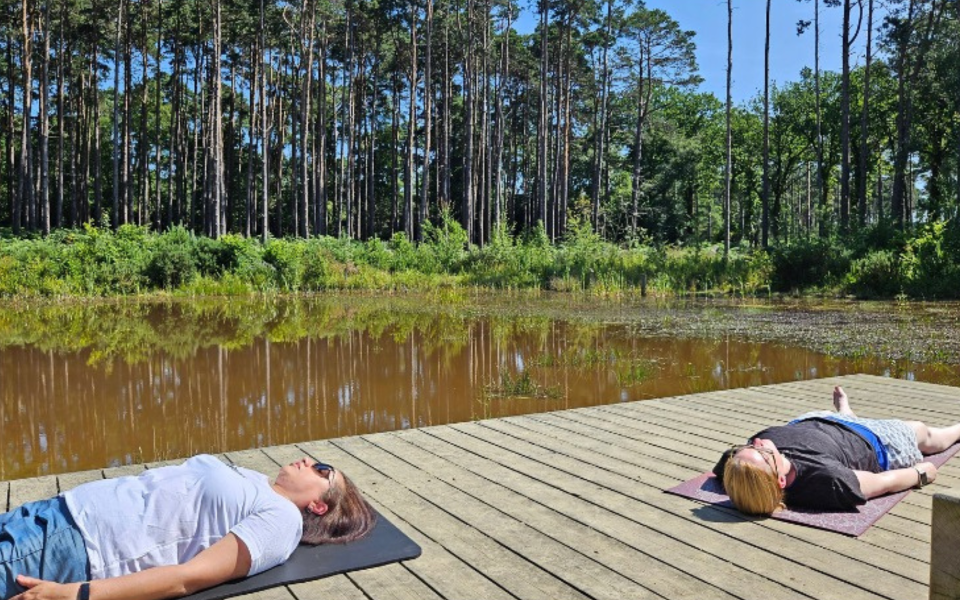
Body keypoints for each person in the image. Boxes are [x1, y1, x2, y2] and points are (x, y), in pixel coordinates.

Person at [1, 454, 376, 600]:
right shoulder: (254, 480)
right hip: (55, 511)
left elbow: (189, 577)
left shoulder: (282, 521)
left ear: (318, 504)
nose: (309, 461)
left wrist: (79, 595)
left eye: (322, 470)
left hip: (75, 546)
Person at [713, 386, 960, 516]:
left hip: (817, 419)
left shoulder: (737, 466)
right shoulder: (828, 480)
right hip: (874, 438)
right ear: (779, 479)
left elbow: (732, 466)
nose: (758, 442)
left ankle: (846, 412)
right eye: (762, 453)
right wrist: (920, 474)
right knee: (924, 433)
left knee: (842, 418)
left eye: (748, 446)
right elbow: (881, 482)